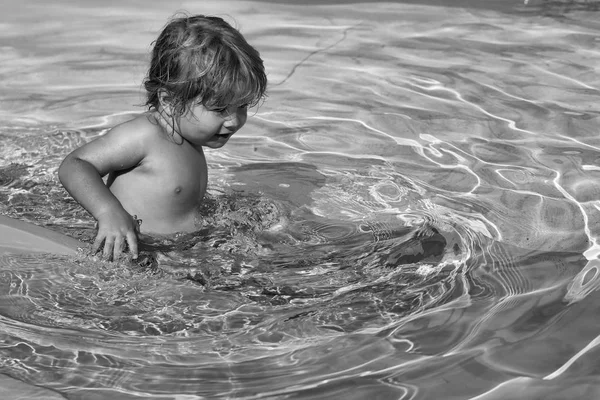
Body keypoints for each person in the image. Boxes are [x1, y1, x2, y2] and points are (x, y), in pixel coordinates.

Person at [58, 14, 267, 261]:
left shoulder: (189, 137)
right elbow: (75, 165)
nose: (234, 120)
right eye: (220, 109)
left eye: (241, 106)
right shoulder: (145, 136)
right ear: (169, 102)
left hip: (178, 252)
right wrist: (108, 212)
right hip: (138, 256)